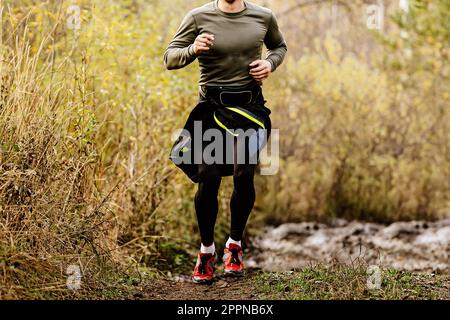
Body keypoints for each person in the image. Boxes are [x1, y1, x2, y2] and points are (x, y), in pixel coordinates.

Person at [164, 0, 287, 284]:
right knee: (208, 175)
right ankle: (206, 251)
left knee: (244, 172)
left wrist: (269, 63)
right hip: (211, 111)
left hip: (250, 110)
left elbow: (279, 48)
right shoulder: (198, 17)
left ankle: (234, 246)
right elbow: (170, 58)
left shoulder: (263, 17)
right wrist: (193, 49)